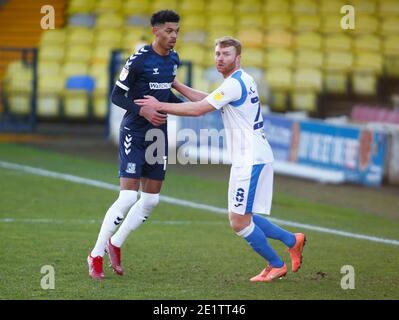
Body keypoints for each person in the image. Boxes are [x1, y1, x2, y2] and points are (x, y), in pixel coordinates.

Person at [135, 36, 306, 282]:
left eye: (226, 54)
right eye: (217, 54)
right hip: (251, 157)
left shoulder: (234, 84)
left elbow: (199, 109)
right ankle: (293, 240)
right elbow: (208, 100)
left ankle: (276, 264)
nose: (220, 58)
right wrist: (176, 85)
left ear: (238, 58)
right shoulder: (240, 80)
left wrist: (159, 105)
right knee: (244, 215)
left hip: (251, 159)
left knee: (238, 222)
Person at [87, 10, 182, 280]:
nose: (173, 35)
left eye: (176, 31)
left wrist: (192, 107)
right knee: (128, 196)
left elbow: (166, 94)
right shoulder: (139, 59)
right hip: (135, 131)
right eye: (168, 30)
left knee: (151, 200)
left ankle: (115, 244)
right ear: (155, 31)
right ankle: (95, 254)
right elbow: (116, 95)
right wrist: (142, 112)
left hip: (158, 135)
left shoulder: (174, 59)